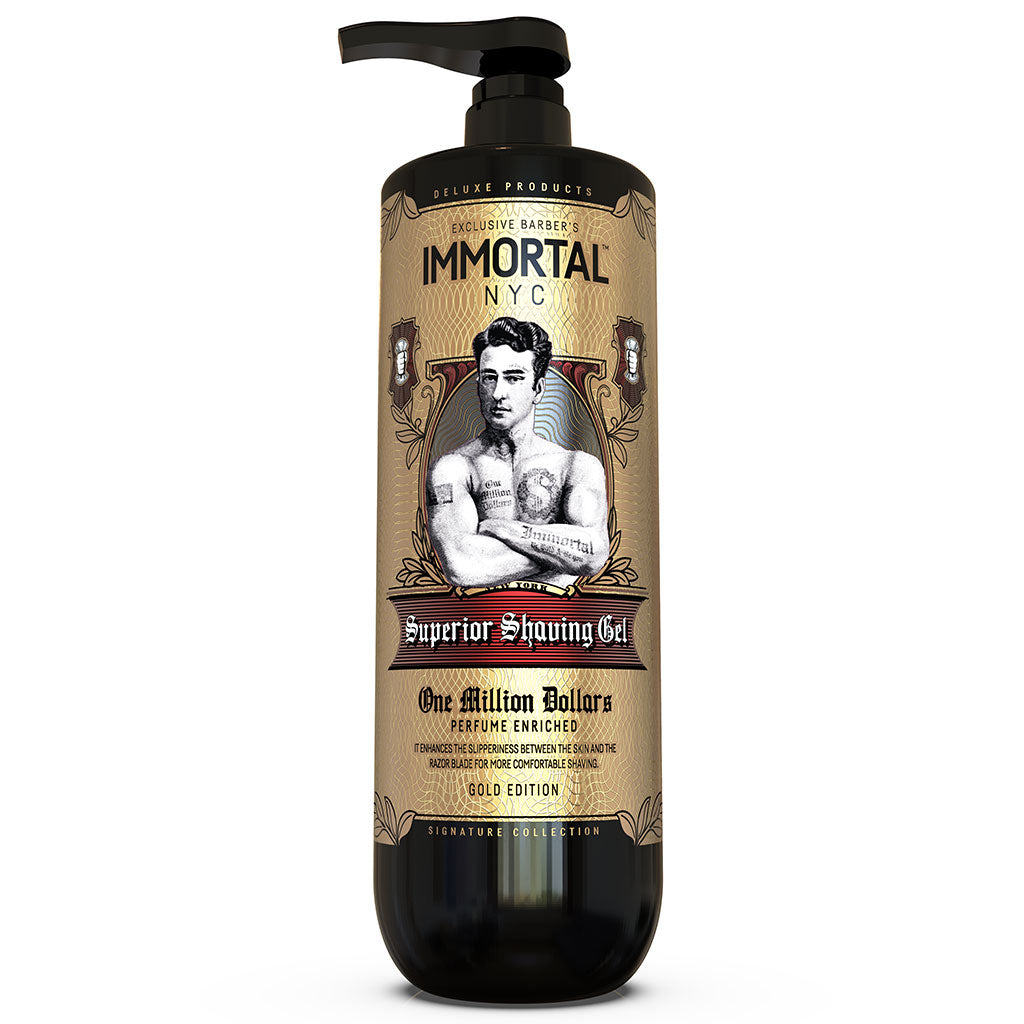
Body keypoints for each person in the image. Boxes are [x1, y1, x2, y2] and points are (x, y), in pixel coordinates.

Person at [426, 317, 609, 588]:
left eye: (513, 378)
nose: (498, 392)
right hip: (478, 615)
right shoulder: (453, 469)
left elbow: (594, 554)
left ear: (538, 389)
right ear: (478, 384)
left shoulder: (577, 466)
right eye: (489, 378)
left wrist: (500, 529)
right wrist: (565, 554)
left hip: (557, 614)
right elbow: (461, 566)